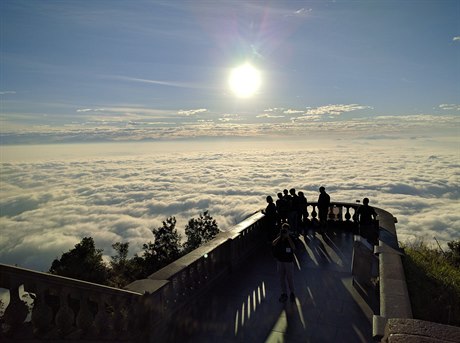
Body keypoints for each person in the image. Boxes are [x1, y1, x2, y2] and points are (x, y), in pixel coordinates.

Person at [272, 223, 296, 303]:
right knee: (281, 278)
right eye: (283, 230)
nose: (284, 231)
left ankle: (292, 292)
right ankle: (284, 293)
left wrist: (288, 237)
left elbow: (293, 247)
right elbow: (273, 243)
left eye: (285, 230)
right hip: (280, 261)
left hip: (288, 262)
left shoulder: (291, 237)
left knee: (290, 278)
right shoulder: (279, 237)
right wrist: (280, 236)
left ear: (288, 230)